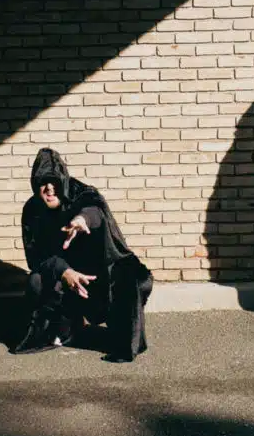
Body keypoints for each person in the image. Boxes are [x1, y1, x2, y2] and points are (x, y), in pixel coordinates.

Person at [14, 147, 153, 361]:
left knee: (133, 278)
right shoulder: (32, 210)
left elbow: (95, 211)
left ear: (63, 181)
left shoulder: (82, 194)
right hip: (66, 277)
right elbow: (36, 257)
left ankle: (124, 338)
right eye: (43, 183)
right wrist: (64, 272)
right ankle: (62, 328)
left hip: (98, 274)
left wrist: (82, 220)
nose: (50, 188)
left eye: (54, 182)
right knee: (36, 282)